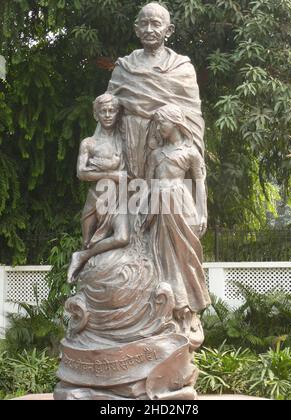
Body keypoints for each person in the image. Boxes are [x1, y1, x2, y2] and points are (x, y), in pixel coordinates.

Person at [104, 2, 205, 180]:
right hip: (129, 147)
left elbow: (193, 118)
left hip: (167, 153)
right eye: (143, 24)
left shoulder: (182, 68)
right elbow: (107, 112)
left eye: (156, 24)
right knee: (131, 202)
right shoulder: (124, 68)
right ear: (136, 29)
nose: (149, 29)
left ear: (169, 30)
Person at [138, 104, 211, 324]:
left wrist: (203, 214)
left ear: (175, 123)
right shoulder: (155, 154)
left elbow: (200, 186)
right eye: (157, 123)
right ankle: (167, 306)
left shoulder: (190, 153)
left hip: (182, 205)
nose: (159, 127)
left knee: (185, 255)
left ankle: (187, 309)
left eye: (162, 122)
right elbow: (147, 187)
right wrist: (142, 211)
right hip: (159, 209)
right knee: (162, 256)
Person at [67, 94, 129, 283]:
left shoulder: (125, 139)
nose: (108, 115)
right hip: (97, 200)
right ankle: (85, 260)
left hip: (122, 199)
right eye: (103, 111)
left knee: (123, 237)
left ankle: (80, 257)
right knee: (88, 242)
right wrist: (112, 175)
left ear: (118, 113)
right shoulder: (89, 143)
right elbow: (81, 173)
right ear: (96, 115)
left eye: (112, 111)